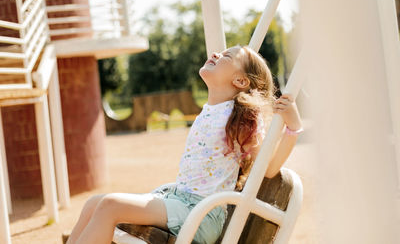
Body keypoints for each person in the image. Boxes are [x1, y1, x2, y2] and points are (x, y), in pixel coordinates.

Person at [66, 45, 303, 244]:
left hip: (201, 212)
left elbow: (267, 169)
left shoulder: (240, 118)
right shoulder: (211, 109)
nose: (218, 54)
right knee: (93, 204)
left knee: (110, 205)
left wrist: (292, 128)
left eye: (227, 56)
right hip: (179, 200)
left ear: (240, 80)